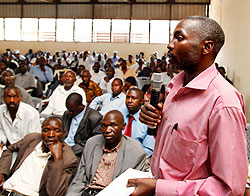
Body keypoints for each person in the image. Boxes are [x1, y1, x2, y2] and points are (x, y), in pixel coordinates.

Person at [127, 16, 247, 195]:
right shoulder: (175, 87)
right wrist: (156, 121)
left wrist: (158, 188)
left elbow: (229, 188)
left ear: (206, 47)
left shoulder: (223, 103)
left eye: (179, 37)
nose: (170, 44)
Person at [66, 110, 146, 196]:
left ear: (123, 126)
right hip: (88, 191)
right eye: (104, 126)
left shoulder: (135, 150)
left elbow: (128, 187)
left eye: (113, 125)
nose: (107, 130)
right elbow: (80, 179)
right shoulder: (92, 143)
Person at [0, 116, 78, 196]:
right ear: (41, 131)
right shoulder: (32, 139)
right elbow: (9, 150)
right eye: (46, 130)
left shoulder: (69, 159)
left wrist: (57, 159)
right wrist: (2, 173)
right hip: (6, 190)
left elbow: (55, 193)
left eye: (57, 131)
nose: (51, 135)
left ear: (63, 133)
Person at [0, 86, 41, 153]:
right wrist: (1, 140)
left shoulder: (31, 113)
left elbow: (34, 138)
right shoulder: (1, 110)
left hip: (27, 149)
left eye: (15, 97)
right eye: (8, 97)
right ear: (3, 98)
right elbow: (1, 130)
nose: (12, 100)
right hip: (8, 148)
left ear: (21, 97)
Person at [63, 93, 103, 158]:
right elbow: (62, 131)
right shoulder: (67, 113)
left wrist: (70, 150)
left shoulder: (95, 118)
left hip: (79, 151)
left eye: (72, 110)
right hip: (63, 147)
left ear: (80, 106)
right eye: (68, 110)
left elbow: (94, 142)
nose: (70, 113)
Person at [120, 88, 155, 158]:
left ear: (142, 101)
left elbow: (148, 149)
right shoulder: (119, 114)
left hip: (136, 157)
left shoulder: (147, 120)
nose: (129, 101)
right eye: (128, 97)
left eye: (134, 98)